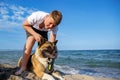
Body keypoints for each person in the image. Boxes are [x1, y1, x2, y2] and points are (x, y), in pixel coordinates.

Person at [15, 10, 62, 75]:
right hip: (31, 28)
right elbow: (24, 25)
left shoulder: (55, 27)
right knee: (31, 40)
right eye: (50, 23)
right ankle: (23, 67)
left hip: (43, 32)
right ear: (47, 17)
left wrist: (54, 51)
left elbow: (52, 42)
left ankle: (48, 68)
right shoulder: (37, 16)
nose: (51, 26)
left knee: (48, 49)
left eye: (53, 25)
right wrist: (34, 34)